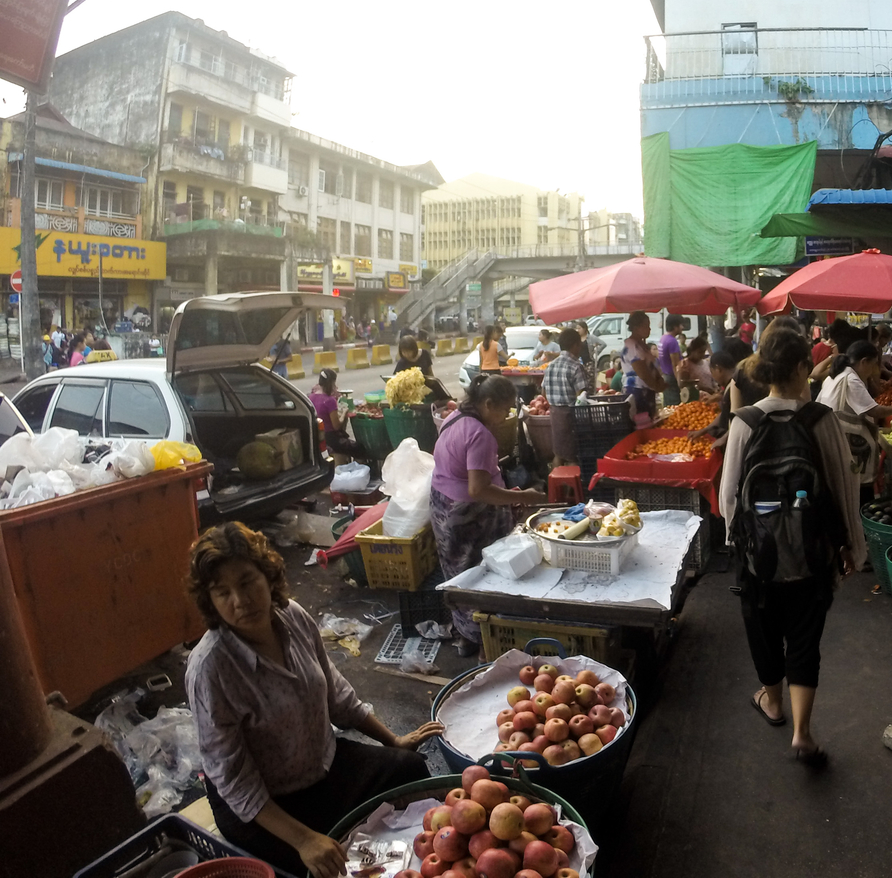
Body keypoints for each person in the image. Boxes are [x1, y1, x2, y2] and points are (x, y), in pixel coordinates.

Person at [185, 523, 443, 878]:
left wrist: (394, 741)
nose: (240, 601)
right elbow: (235, 783)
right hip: (266, 806)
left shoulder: (292, 616)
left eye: (247, 582)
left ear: (267, 575)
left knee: (409, 770)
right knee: (329, 867)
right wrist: (304, 840)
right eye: (222, 592)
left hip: (322, 769)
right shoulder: (210, 669)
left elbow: (337, 696)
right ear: (210, 601)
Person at [719, 326, 861, 768]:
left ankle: (773, 702)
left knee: (763, 632)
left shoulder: (745, 423)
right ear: (803, 368)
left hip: (758, 559)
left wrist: (738, 544)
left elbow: (728, 498)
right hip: (813, 553)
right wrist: (852, 548)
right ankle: (802, 732)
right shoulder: (821, 420)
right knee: (803, 638)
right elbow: (843, 487)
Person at [430, 374, 542, 656]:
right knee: (484, 577)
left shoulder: (454, 417)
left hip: (442, 507)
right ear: (489, 404)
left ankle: (466, 638)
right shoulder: (480, 434)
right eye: (505, 410)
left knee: (458, 575)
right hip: (469, 515)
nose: (506, 417)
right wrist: (522, 496)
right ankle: (486, 643)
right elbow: (478, 489)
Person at [817, 339, 892, 501]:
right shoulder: (851, 379)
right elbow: (874, 410)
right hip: (845, 440)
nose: (874, 371)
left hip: (830, 437)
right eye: (873, 365)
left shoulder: (835, 375)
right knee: (857, 488)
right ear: (864, 362)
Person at [543, 328, 589, 467]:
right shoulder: (576, 367)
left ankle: (555, 488)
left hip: (555, 414)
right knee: (573, 458)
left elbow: (543, 393)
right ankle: (573, 489)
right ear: (575, 345)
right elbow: (581, 397)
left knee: (559, 454)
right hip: (571, 416)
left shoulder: (550, 366)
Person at [620, 312, 664, 427]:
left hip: (647, 390)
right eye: (646, 326)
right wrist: (657, 386)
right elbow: (642, 373)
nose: (649, 329)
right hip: (638, 392)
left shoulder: (641, 345)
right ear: (636, 328)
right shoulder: (632, 346)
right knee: (642, 426)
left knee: (649, 423)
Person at [695, 347, 743, 450]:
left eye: (712, 372)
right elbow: (725, 413)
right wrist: (705, 430)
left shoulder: (736, 387)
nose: (714, 377)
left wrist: (724, 439)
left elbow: (740, 419)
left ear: (718, 369)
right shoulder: (731, 385)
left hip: (735, 441)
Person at [309, 370, 360, 459]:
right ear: (331, 383)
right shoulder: (329, 400)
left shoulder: (311, 397)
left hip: (317, 437)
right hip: (330, 439)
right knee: (359, 448)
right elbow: (336, 426)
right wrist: (344, 413)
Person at [656, 314, 685, 406]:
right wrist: (679, 382)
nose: (682, 327)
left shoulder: (663, 338)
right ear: (675, 326)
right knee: (675, 407)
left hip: (665, 376)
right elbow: (675, 364)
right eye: (681, 325)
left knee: (668, 406)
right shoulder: (672, 341)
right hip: (672, 378)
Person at [676, 334, 716, 401]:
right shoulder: (685, 364)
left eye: (704, 351)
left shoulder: (706, 363)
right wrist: (702, 388)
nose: (703, 354)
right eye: (700, 352)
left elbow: (712, 380)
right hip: (694, 400)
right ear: (692, 351)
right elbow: (681, 384)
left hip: (710, 398)